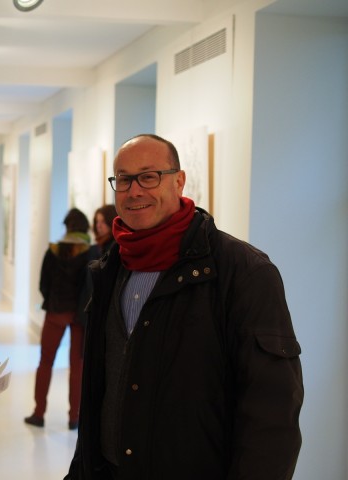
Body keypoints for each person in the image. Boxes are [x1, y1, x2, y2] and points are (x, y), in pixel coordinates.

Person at [66, 134, 303, 479]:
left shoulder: (243, 272)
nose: (134, 191)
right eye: (124, 179)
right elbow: (99, 391)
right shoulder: (110, 268)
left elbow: (272, 412)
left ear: (179, 181)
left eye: (149, 177)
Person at [25, 208, 91, 430]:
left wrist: (52, 300)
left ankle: (38, 413)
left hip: (55, 311)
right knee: (77, 367)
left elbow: (43, 284)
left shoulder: (53, 251)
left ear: (67, 227)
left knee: (45, 361)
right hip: (80, 316)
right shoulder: (91, 253)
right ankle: (75, 417)